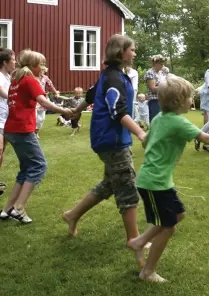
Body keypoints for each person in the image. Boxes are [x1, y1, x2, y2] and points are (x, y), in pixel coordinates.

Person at [127, 75, 209, 282]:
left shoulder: (158, 119)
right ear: (179, 101)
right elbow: (207, 138)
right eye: (190, 97)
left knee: (178, 215)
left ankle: (139, 242)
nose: (192, 100)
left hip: (157, 180)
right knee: (169, 226)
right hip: (154, 183)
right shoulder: (179, 123)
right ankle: (147, 272)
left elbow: (146, 141)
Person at [61, 35, 147, 268]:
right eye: (132, 49)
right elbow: (117, 110)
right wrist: (141, 133)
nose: (135, 53)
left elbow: (90, 94)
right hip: (111, 139)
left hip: (111, 138)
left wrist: (76, 110)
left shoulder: (113, 75)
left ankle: (72, 215)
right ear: (121, 51)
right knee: (127, 185)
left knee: (110, 183)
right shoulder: (113, 77)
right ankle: (134, 239)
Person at [0, 50, 73, 223]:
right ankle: (19, 208)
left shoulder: (15, 81)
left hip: (11, 128)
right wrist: (64, 111)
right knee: (39, 166)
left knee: (26, 168)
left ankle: (7, 209)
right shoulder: (30, 80)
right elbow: (44, 102)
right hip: (22, 130)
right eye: (40, 64)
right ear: (32, 66)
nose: (43, 67)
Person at [0, 48, 16, 196]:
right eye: (13, 60)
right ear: (5, 62)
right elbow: (0, 89)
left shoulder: (8, 77)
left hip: (6, 119)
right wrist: (13, 98)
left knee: (0, 152)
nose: (15, 62)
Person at [35, 66, 59, 138]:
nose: (42, 72)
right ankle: (32, 132)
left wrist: (56, 93)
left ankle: (36, 131)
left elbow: (51, 85)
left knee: (41, 118)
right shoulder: (32, 77)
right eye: (41, 70)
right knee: (34, 117)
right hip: (34, 99)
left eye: (43, 71)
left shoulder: (45, 78)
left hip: (43, 98)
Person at [144, 55, 168, 123]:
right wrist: (167, 87)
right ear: (155, 63)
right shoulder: (150, 73)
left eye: (163, 63)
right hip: (154, 100)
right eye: (160, 63)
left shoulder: (162, 73)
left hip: (163, 99)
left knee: (163, 121)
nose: (162, 65)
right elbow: (153, 89)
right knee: (155, 121)